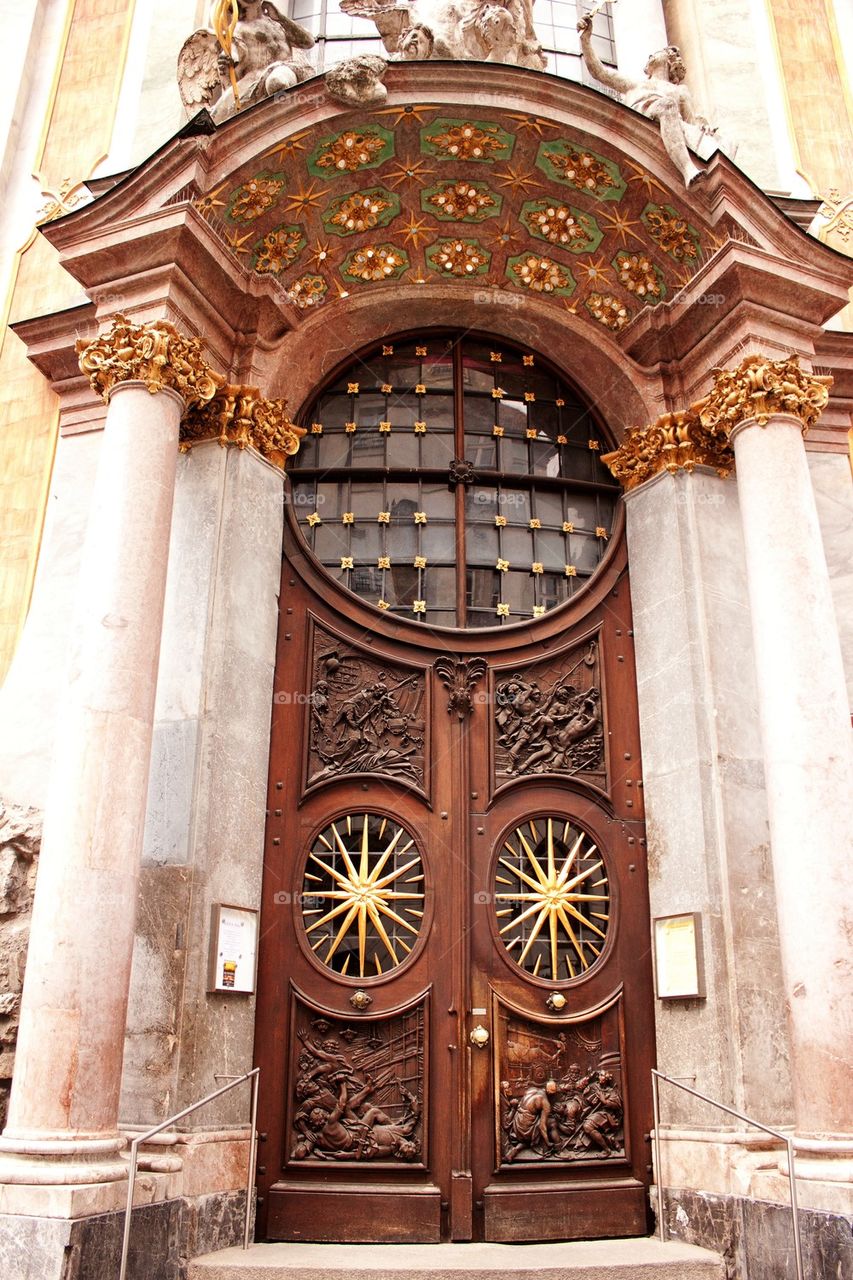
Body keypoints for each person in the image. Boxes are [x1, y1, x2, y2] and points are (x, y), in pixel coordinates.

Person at [577, 15, 713, 187]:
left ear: (671, 61)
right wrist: (586, 40)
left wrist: (705, 129)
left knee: (667, 106)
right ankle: (688, 169)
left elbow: (691, 126)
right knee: (667, 105)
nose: (651, 55)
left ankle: (688, 171)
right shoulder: (636, 85)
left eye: (658, 53)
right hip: (635, 124)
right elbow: (600, 72)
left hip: (665, 121)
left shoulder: (679, 91)